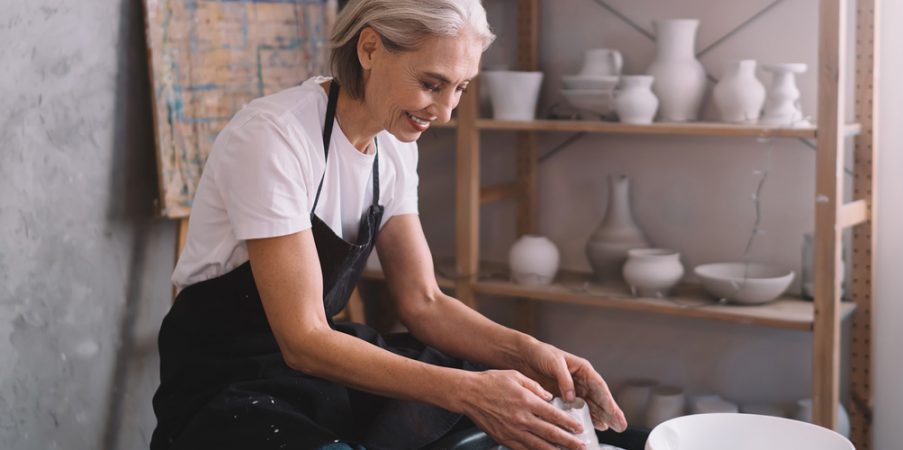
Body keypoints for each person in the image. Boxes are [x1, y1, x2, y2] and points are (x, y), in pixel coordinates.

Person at [150, 1, 628, 449]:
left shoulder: (395, 147)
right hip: (226, 378)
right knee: (465, 392)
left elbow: (425, 302)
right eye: (431, 83)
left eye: (460, 88)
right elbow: (303, 340)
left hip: (316, 362)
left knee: (485, 391)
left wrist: (528, 353)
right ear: (370, 48)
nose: (444, 112)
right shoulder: (274, 137)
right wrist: (469, 392)